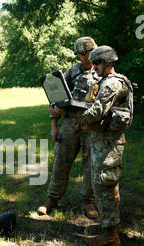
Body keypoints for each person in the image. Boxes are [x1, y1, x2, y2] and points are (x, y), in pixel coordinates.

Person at [56, 45, 134, 246]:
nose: (94, 65)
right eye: (94, 62)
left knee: (105, 185)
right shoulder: (106, 81)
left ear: (109, 63)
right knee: (102, 184)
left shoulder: (112, 85)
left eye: (98, 62)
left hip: (108, 144)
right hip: (102, 142)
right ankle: (109, 227)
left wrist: (67, 112)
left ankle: (111, 236)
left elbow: (95, 114)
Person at [37, 37, 100, 219]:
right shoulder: (72, 72)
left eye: (86, 52)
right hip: (70, 123)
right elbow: (56, 96)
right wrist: (54, 125)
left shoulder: (102, 71)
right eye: (79, 54)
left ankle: (88, 200)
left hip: (91, 125)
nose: (83, 57)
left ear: (93, 51)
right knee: (61, 161)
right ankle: (53, 199)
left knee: (91, 164)